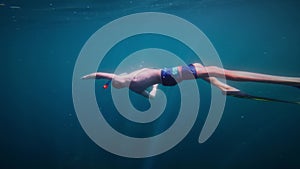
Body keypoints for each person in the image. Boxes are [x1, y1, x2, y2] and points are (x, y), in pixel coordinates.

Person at [81, 63, 300, 100]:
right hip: (169, 74)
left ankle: (223, 88)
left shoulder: (135, 88)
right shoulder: (124, 78)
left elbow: (154, 96)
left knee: (202, 69)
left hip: (168, 79)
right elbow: (101, 74)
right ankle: (291, 81)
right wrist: (88, 76)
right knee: (223, 71)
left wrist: (156, 86)